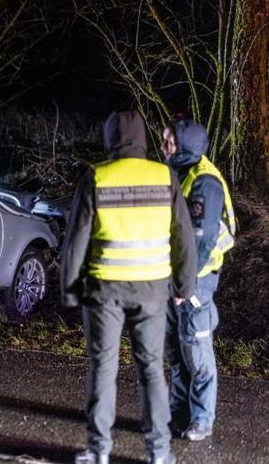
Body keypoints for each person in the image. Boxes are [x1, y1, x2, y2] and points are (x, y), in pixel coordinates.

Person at [61, 110, 197, 464]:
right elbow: (183, 237)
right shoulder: (164, 175)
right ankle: (159, 452)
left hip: (104, 292)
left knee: (103, 367)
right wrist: (185, 283)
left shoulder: (97, 176)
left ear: (109, 139)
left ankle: (99, 450)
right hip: (152, 291)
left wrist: (70, 289)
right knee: (151, 368)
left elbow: (77, 239)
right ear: (142, 139)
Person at [160, 119, 235, 441]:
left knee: (196, 354)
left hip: (195, 283)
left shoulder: (205, 182)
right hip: (175, 278)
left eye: (169, 141)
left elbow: (201, 243)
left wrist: (185, 285)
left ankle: (201, 421)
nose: (164, 146)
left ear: (185, 144)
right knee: (177, 354)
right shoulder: (179, 173)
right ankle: (179, 419)